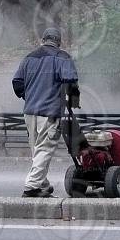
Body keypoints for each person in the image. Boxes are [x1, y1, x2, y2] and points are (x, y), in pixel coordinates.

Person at [12, 27, 80, 198]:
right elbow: (71, 81)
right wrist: (74, 101)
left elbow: (17, 83)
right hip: (49, 111)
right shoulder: (62, 57)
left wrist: (28, 97)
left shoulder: (29, 57)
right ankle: (32, 186)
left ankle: (42, 184)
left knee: (37, 149)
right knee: (45, 148)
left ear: (43, 40)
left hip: (29, 112)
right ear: (58, 42)